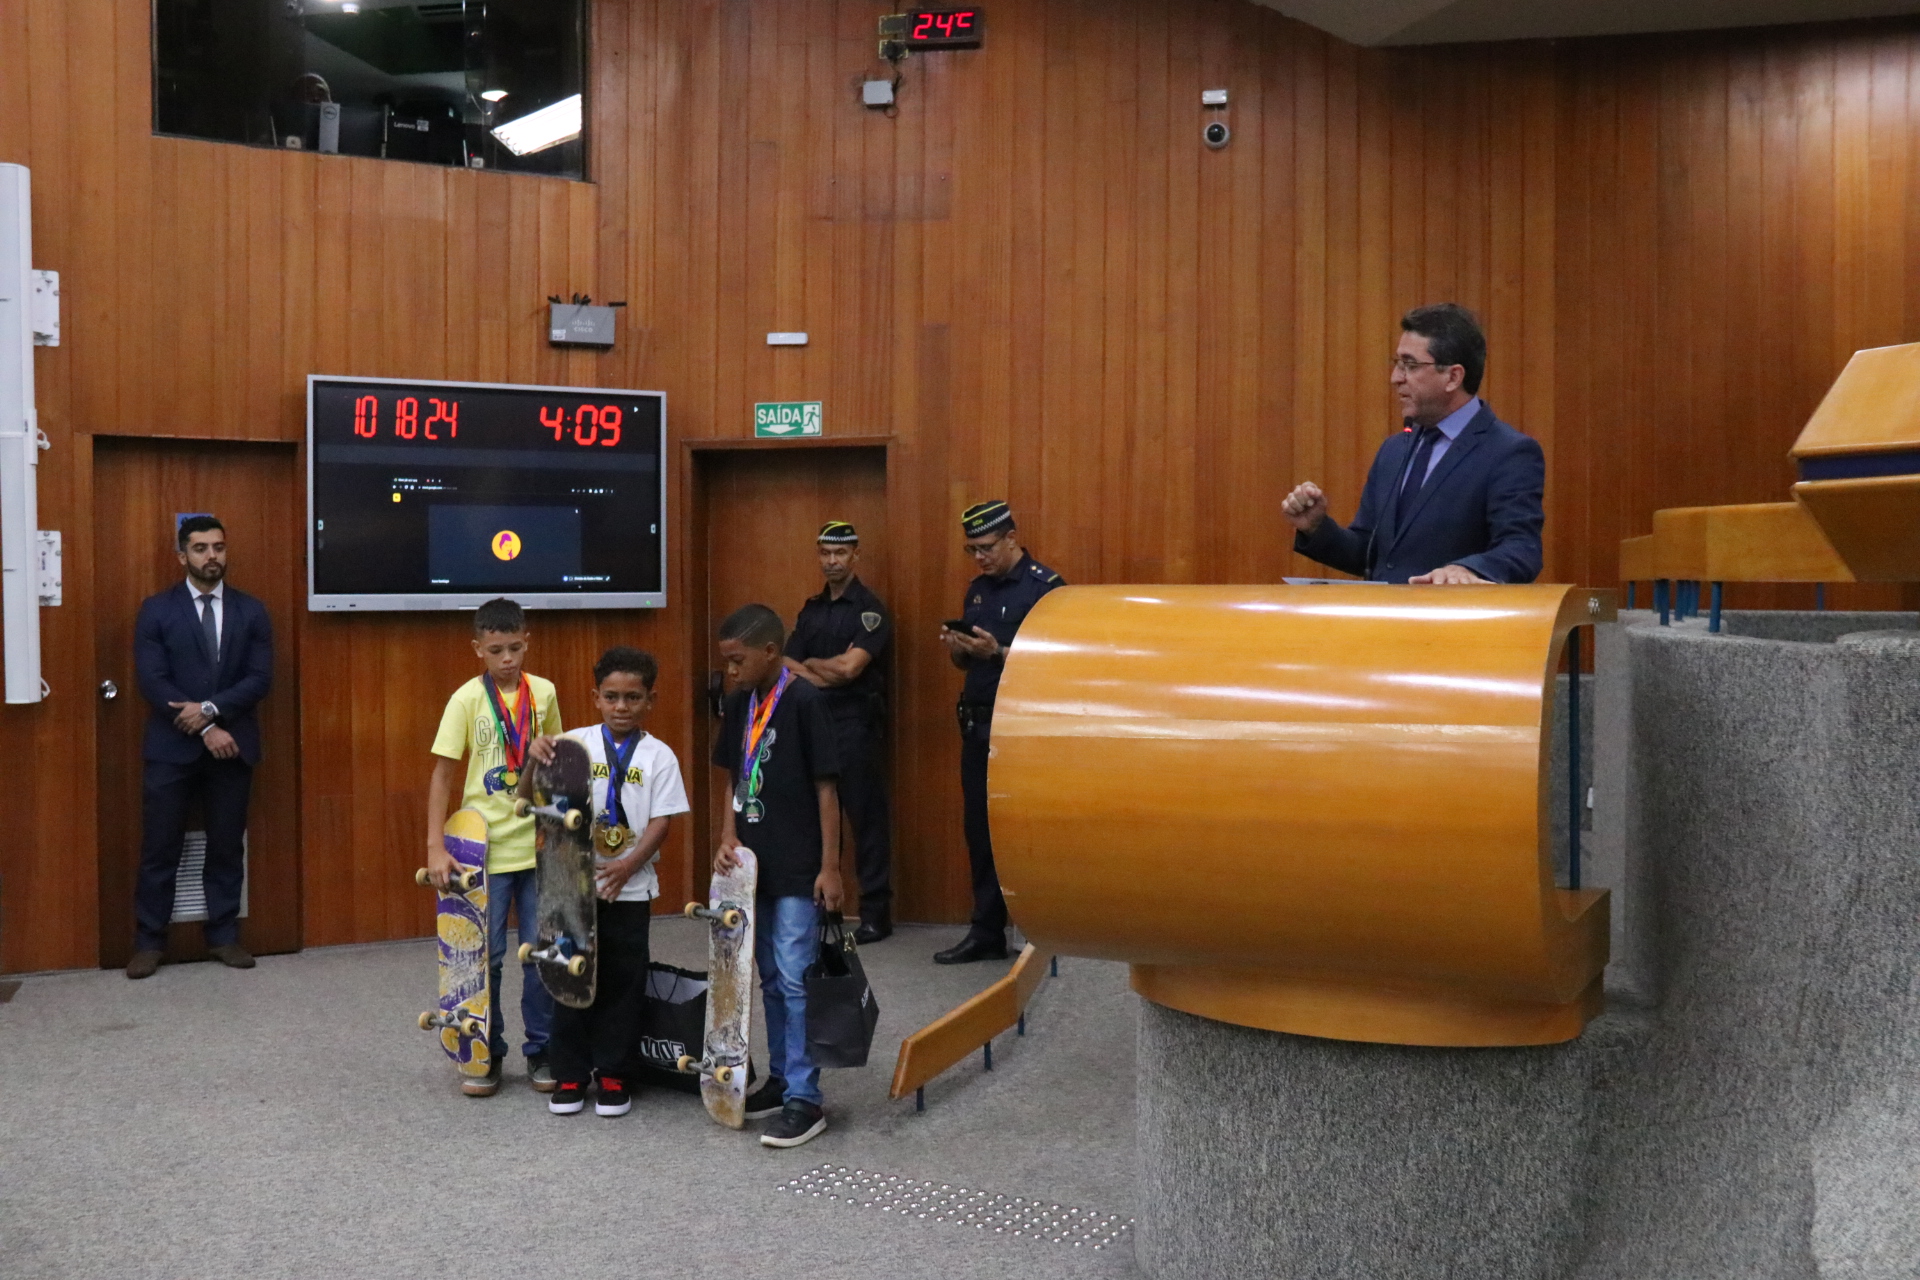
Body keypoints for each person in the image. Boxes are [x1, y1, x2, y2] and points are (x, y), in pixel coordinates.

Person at [527, 646, 688, 1118]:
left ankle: (615, 1071)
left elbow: (662, 820)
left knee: (622, 980)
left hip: (630, 887)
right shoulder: (573, 744)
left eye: (633, 698)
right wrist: (534, 759)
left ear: (650, 700)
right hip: (572, 887)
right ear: (595, 696)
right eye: (612, 697)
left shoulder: (659, 756)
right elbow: (528, 794)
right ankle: (570, 1072)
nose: (621, 707)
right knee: (569, 978)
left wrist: (629, 865)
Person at [1282, 302, 1544, 585]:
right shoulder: (1395, 450)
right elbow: (1372, 555)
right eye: (1397, 364)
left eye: (1410, 365)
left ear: (1453, 377)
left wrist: (1467, 570)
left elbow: (1521, 549)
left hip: (1452, 612)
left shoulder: (1509, 452)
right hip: (1387, 613)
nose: (1396, 378)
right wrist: (1317, 528)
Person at [712, 603, 842, 1149]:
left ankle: (806, 1099)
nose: (730, 670)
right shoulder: (738, 702)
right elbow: (732, 778)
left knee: (794, 977)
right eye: (726, 662)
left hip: (799, 866)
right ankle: (783, 1077)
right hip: (753, 866)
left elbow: (827, 789)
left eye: (737, 660)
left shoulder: (806, 700)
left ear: (770, 652)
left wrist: (831, 867)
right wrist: (727, 835)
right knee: (766, 976)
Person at [425, 597, 564, 1098]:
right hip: (483, 853)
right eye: (496, 650)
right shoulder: (465, 699)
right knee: (487, 957)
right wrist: (435, 847)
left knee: (541, 954)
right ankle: (485, 1050)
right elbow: (442, 775)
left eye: (515, 648)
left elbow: (558, 764)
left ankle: (542, 1049)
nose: (507, 659)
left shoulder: (543, 693)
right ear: (477, 649)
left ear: (527, 642)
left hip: (537, 845)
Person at [127, 516, 275, 980]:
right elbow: (153, 680)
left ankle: (224, 936)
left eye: (218, 547)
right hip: (172, 749)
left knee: (227, 846)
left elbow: (259, 679)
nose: (212, 556)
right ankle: (149, 942)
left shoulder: (252, 611)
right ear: (182, 556)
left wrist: (210, 710)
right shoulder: (157, 610)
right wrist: (208, 727)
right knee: (160, 848)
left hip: (232, 748)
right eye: (200, 548)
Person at [935, 501, 1063, 965]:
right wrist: (961, 649)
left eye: (986, 547)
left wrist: (999, 652)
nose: (979, 558)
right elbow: (969, 663)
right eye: (971, 550)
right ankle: (987, 931)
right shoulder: (977, 592)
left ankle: (1042, 931)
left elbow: (1056, 660)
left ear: (1011, 538)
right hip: (978, 725)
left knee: (1025, 831)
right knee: (980, 830)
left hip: (1021, 730)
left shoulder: (1046, 590)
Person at [783, 520, 896, 945]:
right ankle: (822, 907)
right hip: (814, 721)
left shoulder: (869, 610)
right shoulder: (811, 609)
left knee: (866, 820)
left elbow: (850, 669)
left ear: (855, 556)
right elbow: (785, 665)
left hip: (854, 723)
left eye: (841, 553)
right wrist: (821, 670)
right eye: (826, 553)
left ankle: (875, 915)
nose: (832, 561)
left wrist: (812, 665)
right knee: (816, 818)